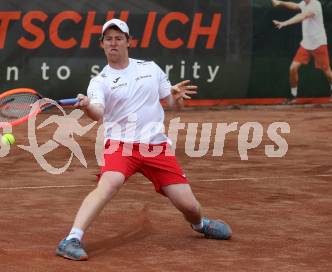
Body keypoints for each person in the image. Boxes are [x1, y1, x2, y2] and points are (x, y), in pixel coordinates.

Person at [56, 18, 232, 261]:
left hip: (156, 147)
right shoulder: (100, 81)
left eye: (119, 38)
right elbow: (98, 112)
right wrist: (87, 106)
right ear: (102, 44)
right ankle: (71, 239)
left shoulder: (150, 69)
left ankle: (200, 225)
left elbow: (171, 104)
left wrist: (176, 98)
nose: (114, 43)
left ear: (129, 41)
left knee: (190, 207)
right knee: (110, 182)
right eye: (109, 39)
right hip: (121, 145)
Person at [272, 0, 332, 103]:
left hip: (319, 43)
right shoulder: (304, 3)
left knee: (327, 71)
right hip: (306, 44)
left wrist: (284, 23)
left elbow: (302, 16)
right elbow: (295, 6)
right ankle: (293, 95)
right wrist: (280, 3)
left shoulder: (315, 4)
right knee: (293, 68)